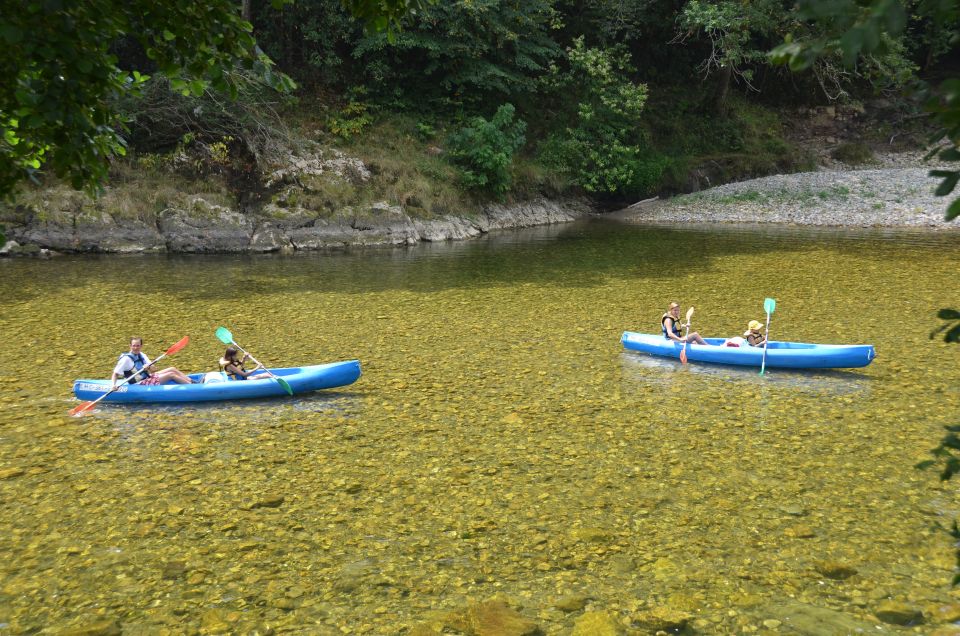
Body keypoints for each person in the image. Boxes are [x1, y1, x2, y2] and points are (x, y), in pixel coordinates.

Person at [111, 336, 194, 388]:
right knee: (171, 375)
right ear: (130, 346)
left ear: (141, 346)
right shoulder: (126, 359)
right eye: (134, 346)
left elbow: (153, 370)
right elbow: (115, 374)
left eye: (138, 346)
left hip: (147, 377)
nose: (136, 348)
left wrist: (148, 367)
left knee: (172, 369)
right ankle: (192, 387)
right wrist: (113, 385)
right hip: (139, 384)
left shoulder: (142, 355)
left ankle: (192, 382)